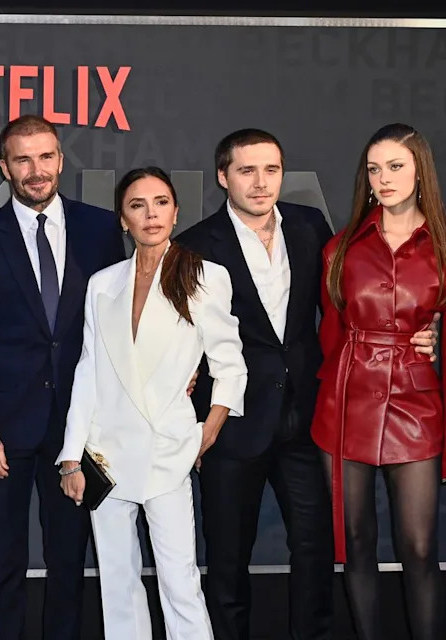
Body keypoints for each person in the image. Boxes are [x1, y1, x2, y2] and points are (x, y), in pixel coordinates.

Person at [175, 128, 438, 640]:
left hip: (309, 419)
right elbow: (180, 341)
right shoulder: (194, 247)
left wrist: (430, 332)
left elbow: (349, 305)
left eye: (271, 170)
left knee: (317, 550)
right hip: (234, 424)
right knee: (227, 557)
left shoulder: (310, 225)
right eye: (246, 171)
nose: (260, 182)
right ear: (223, 177)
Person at [0, 115, 125, 640]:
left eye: (45, 157)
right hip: (4, 427)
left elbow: (116, 329)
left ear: (60, 160)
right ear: (4, 167)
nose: (36, 170)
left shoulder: (100, 230)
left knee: (68, 561)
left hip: (78, 428)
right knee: (1, 562)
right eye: (22, 159)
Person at [58, 167, 246, 639]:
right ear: (123, 219)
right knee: (117, 583)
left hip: (168, 450)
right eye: (137, 205)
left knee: (179, 580)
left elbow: (230, 364)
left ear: (176, 211)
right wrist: (70, 456)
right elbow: (89, 370)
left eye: (160, 202)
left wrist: (209, 430)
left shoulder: (204, 275)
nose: (150, 214)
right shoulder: (103, 283)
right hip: (106, 453)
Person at [313, 123, 446, 640]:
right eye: (374, 169)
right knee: (356, 541)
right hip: (344, 404)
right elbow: (329, 331)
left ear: (419, 172)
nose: (384, 178)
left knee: (418, 547)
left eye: (396, 166)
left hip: (417, 405)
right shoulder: (340, 248)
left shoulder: (441, 247)